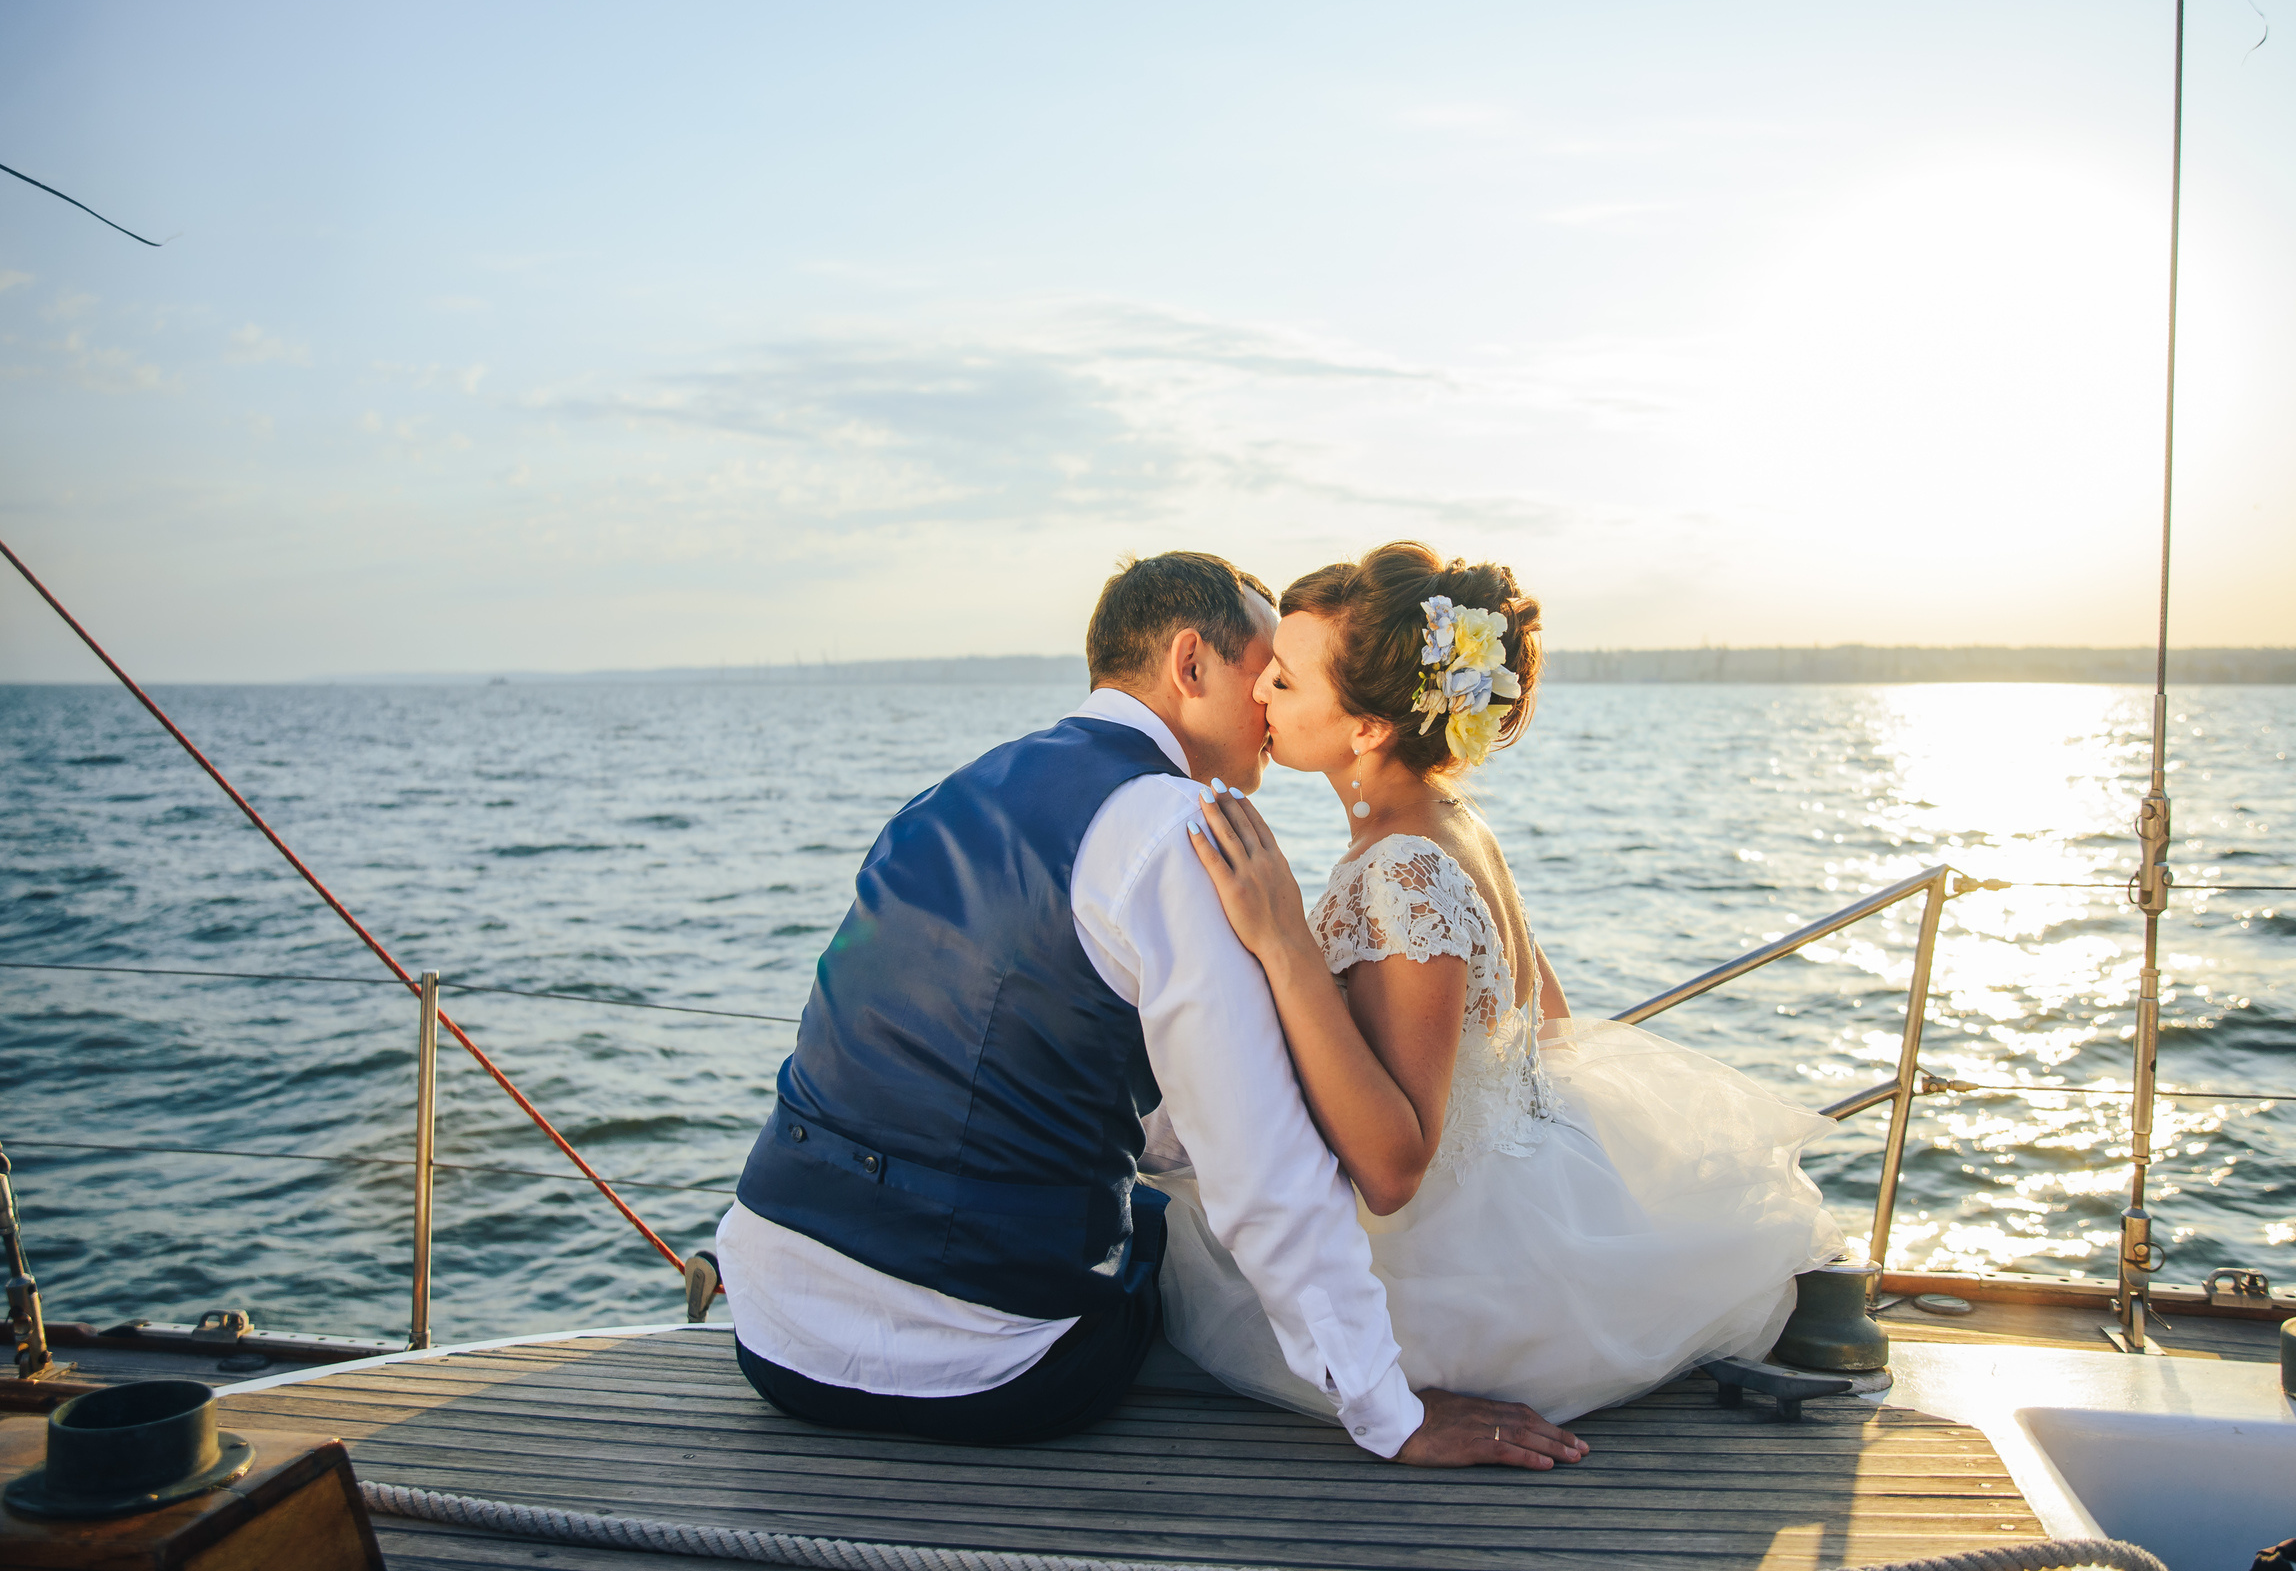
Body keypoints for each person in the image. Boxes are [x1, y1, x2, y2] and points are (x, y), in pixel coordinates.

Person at [716, 550, 1584, 1469]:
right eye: (1266, 674)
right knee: (1168, 1231)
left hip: (770, 1331)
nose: (1269, 706)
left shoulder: (947, 798)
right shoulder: (1183, 830)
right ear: (1190, 665)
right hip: (985, 1366)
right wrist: (1389, 1411)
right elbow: (1264, 1171)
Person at [1168, 541, 1845, 1423]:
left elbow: (1394, 1168)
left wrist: (1285, 942)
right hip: (1540, 1213)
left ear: (1368, 727)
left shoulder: (1402, 865)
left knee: (1183, 1234)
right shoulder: (1453, 824)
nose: (1256, 690)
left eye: (1284, 682)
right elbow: (1547, 1027)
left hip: (1448, 1285)